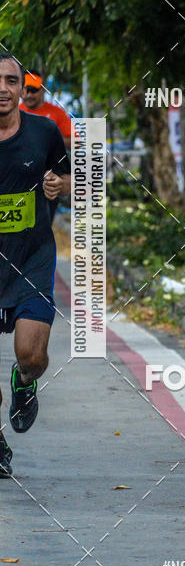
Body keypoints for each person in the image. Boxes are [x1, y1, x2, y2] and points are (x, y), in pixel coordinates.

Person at [0, 54, 71, 477]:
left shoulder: (44, 131)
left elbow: (72, 180)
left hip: (31, 259)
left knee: (32, 354)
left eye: (12, 81)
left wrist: (59, 184)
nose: (3, 89)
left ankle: (24, 381)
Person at [20, 69, 72, 224]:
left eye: (33, 90)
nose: (29, 95)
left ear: (42, 90)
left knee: (43, 224)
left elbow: (75, 141)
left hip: (48, 179)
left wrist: (48, 138)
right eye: (25, 90)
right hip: (21, 177)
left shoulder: (56, 113)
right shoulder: (14, 112)